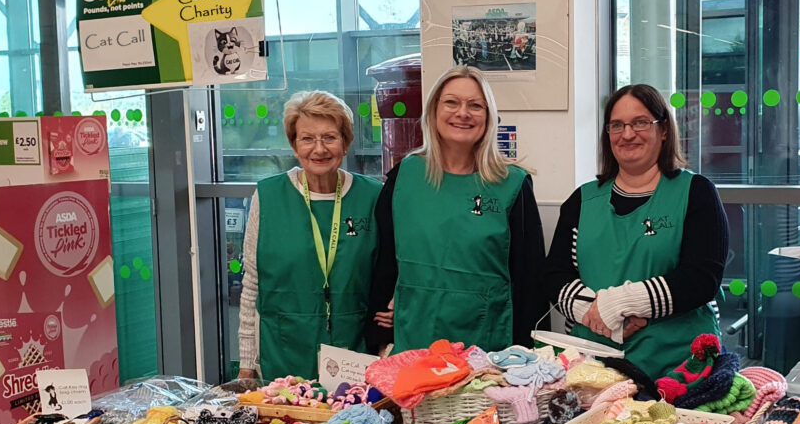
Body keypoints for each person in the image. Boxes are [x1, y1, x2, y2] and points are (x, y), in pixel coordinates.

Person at [544, 84, 729, 379]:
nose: (627, 134)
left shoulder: (695, 193)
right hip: (592, 368)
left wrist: (617, 304)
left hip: (680, 368)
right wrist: (600, 316)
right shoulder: (582, 200)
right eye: (617, 125)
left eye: (640, 122)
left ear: (664, 130)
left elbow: (702, 278)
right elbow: (554, 275)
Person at [367, 65, 547, 354]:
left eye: (475, 105)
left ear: (488, 116)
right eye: (451, 102)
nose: (462, 113)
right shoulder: (404, 177)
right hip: (415, 338)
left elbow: (531, 279)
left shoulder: (512, 185)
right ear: (433, 110)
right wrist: (377, 330)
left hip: (489, 347)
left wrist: (532, 355)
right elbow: (383, 261)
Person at [237, 91, 382, 379]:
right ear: (294, 145)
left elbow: (389, 282)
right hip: (283, 353)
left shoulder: (373, 196)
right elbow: (252, 286)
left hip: (354, 356)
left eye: (330, 137)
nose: (319, 149)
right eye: (307, 138)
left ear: (346, 144)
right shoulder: (268, 196)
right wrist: (246, 365)